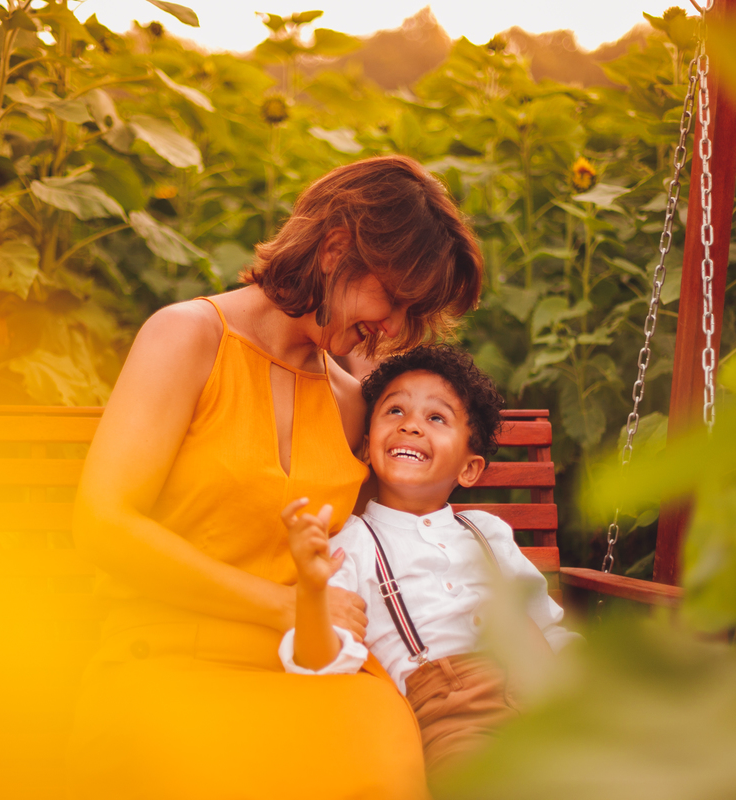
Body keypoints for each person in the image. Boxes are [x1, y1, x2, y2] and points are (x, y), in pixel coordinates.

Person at [68, 155, 482, 799]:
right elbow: (103, 525)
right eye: (393, 300)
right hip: (172, 656)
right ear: (336, 245)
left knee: (380, 766)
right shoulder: (187, 337)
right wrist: (280, 604)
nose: (395, 331)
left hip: (319, 671)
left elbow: (399, 544)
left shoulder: (352, 405)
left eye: (412, 315)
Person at [278, 345, 578, 777]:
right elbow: (320, 663)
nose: (412, 426)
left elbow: (547, 626)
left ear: (470, 469)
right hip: (456, 717)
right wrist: (311, 590)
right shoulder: (356, 542)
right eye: (395, 411)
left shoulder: (486, 531)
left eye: (436, 418)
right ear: (366, 447)